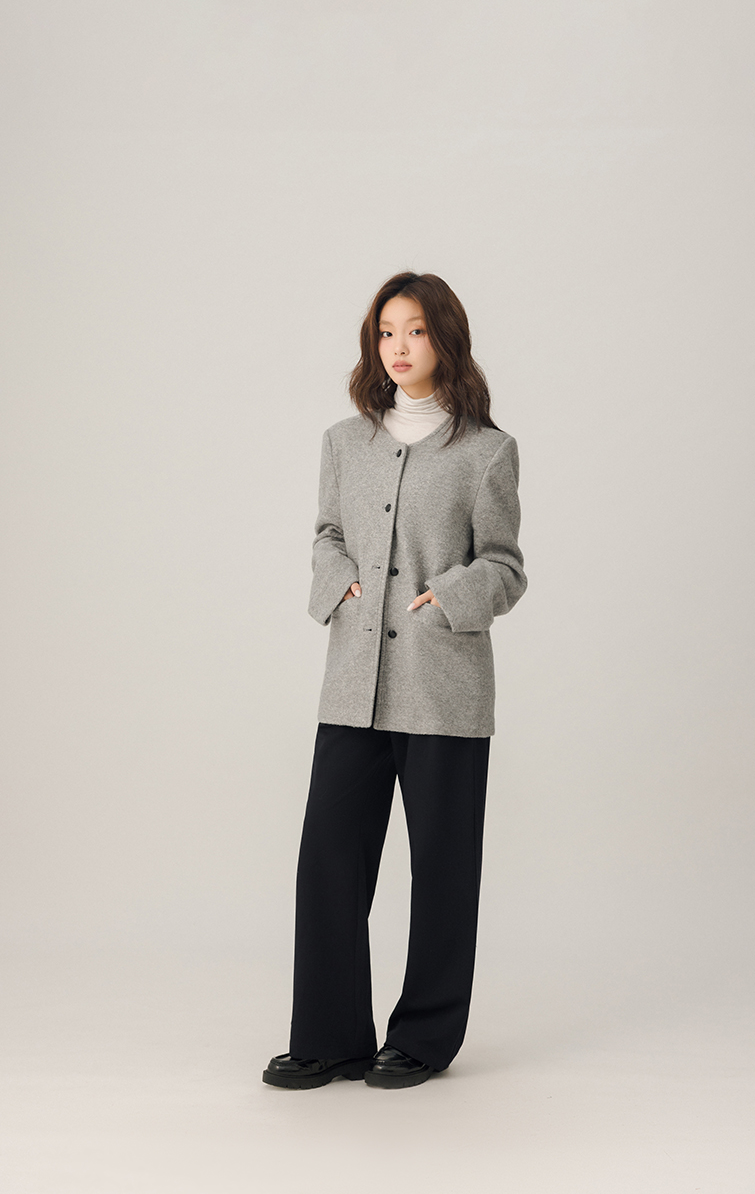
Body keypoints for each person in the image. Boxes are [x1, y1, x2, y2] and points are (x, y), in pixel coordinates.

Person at [262, 271, 527, 1091]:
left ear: (445, 339)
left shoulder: (486, 452)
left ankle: (424, 1037)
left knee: (442, 870)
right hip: (354, 683)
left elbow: (505, 567)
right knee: (329, 862)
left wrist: (449, 596)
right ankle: (329, 1037)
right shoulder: (345, 442)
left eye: (414, 330)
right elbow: (327, 534)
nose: (398, 347)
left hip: (443, 686)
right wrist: (338, 581)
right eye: (386, 332)